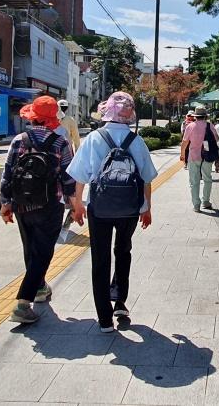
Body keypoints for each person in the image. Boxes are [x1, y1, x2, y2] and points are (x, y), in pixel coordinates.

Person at [68, 91, 158, 333]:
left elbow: (79, 176)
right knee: (123, 250)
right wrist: (146, 208)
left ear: (106, 112)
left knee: (100, 258)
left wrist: (78, 204)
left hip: (99, 207)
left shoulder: (94, 138)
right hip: (129, 208)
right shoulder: (136, 141)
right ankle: (119, 301)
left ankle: (105, 319)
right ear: (130, 115)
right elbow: (147, 178)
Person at [0, 96, 75, 324]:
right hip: (50, 204)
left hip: (22, 203)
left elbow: (8, 172)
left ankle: (39, 287)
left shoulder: (19, 140)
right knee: (43, 252)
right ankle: (23, 303)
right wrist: (73, 204)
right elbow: (68, 178)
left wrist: (5, 202)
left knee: (30, 249)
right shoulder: (61, 143)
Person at [182, 104, 218, 212]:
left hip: (193, 157)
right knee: (207, 179)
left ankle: (196, 205)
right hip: (207, 156)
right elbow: (217, 138)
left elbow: (185, 142)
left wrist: (182, 154)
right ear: (205, 116)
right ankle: (206, 202)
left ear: (195, 116)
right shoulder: (209, 125)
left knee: (194, 181)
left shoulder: (190, 126)